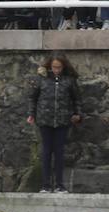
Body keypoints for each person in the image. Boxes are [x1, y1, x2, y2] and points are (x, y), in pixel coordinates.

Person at [28, 54, 83, 194]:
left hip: (63, 120)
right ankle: (45, 185)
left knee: (59, 152)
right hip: (44, 120)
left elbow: (77, 99)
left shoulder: (69, 81)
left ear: (63, 67)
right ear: (49, 67)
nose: (56, 70)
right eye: (54, 67)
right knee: (46, 152)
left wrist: (78, 114)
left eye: (58, 67)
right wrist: (31, 114)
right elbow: (33, 98)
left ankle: (59, 184)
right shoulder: (41, 79)